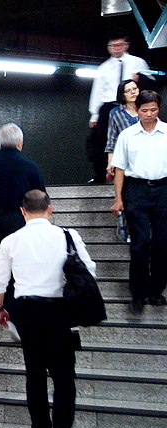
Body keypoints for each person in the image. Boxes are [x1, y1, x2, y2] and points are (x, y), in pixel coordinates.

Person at [0, 190, 96, 428]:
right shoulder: (68, 236)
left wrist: (0, 309)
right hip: (60, 311)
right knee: (64, 376)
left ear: (22, 211)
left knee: (34, 374)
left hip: (28, 314)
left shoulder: (11, 241)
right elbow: (89, 271)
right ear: (50, 208)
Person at [110, 89, 167, 314]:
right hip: (137, 191)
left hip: (163, 190)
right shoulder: (127, 135)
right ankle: (138, 294)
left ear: (158, 109)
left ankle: (156, 291)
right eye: (145, 110)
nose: (149, 114)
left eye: (153, 110)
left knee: (162, 245)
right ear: (137, 110)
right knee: (140, 245)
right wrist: (118, 199)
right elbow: (120, 169)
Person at [0, 123, 46, 257]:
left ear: (0, 143)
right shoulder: (30, 166)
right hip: (19, 218)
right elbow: (41, 195)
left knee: (0, 257)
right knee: (19, 258)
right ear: (20, 143)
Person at [87, 32, 148, 184]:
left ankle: (138, 173)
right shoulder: (104, 67)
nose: (116, 49)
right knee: (103, 142)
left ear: (126, 45)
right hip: (109, 106)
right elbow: (98, 91)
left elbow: (150, 82)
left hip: (133, 104)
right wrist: (94, 115)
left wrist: (141, 80)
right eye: (113, 46)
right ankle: (102, 175)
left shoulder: (138, 62)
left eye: (119, 45)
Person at [105, 79, 140, 177]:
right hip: (126, 158)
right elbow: (112, 140)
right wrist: (110, 161)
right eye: (128, 90)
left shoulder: (146, 110)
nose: (133, 92)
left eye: (135, 88)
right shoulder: (115, 113)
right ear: (122, 95)